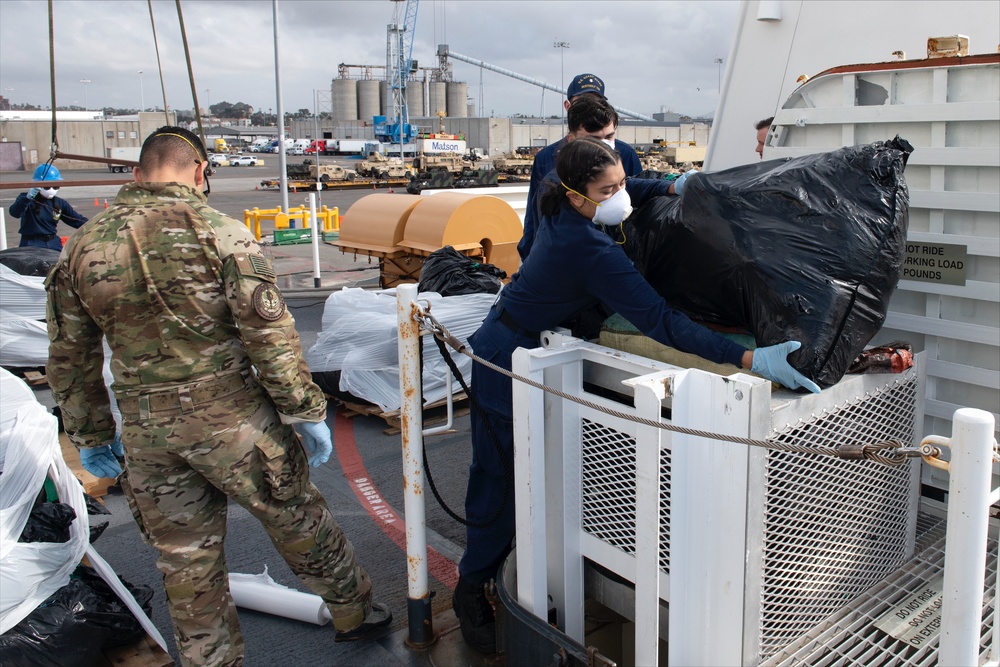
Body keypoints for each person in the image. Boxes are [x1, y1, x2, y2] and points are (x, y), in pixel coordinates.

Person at [452, 136, 820, 654]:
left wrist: (670, 183)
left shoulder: (554, 201)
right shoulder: (590, 250)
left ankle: (513, 568)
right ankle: (471, 588)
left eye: (623, 182)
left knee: (531, 474)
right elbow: (660, 321)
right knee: (498, 478)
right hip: (502, 358)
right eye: (610, 189)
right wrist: (748, 359)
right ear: (578, 194)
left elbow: (632, 187)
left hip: (513, 333)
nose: (622, 195)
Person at [45, 127, 391, 667]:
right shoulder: (220, 233)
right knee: (297, 520)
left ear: (137, 174)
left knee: (186, 560)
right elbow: (269, 336)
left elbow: (71, 355)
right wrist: (305, 409)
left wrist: (91, 435)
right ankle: (354, 614)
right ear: (201, 170)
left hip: (147, 432)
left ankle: (211, 660)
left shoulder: (85, 246)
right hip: (235, 421)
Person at [518, 73, 642, 260]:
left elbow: (637, 196)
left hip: (613, 251)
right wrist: (529, 255)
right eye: (583, 102)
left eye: (596, 102)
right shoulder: (546, 158)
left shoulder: (625, 153)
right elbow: (535, 215)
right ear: (568, 107)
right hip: (563, 254)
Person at [8, 164, 88, 250]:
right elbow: (15, 213)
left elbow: (76, 220)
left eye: (55, 187)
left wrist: (98, 223)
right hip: (31, 243)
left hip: (52, 242)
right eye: (47, 187)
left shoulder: (59, 203)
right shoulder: (26, 199)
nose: (51, 190)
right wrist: (28, 198)